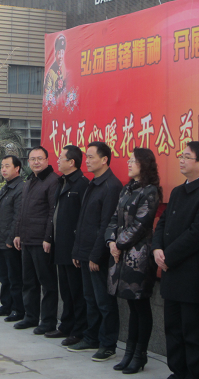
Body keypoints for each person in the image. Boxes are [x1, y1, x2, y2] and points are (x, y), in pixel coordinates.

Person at [152, 141, 199, 379]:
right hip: (171, 271)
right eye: (181, 156)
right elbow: (163, 223)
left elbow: (198, 234)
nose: (181, 160)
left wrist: (168, 256)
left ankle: (195, 375)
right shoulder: (177, 191)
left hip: (193, 275)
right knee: (173, 329)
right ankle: (178, 372)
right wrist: (157, 248)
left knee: (194, 332)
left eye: (187, 157)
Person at [105, 148, 162, 373]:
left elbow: (141, 224)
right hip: (120, 253)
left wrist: (118, 245)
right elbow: (113, 218)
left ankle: (139, 355)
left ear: (144, 164)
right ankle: (129, 353)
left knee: (140, 305)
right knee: (131, 305)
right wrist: (111, 242)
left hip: (139, 257)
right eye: (128, 160)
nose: (128, 163)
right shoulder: (127, 188)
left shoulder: (150, 191)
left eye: (133, 160)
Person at [68, 141, 122, 363]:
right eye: (86, 156)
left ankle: (108, 344)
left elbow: (106, 225)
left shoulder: (111, 186)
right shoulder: (93, 183)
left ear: (104, 159)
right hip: (85, 252)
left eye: (91, 157)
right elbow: (83, 221)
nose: (87, 161)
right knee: (90, 298)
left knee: (104, 302)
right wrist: (77, 251)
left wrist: (95, 256)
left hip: (99, 256)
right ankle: (92, 337)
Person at [13, 146, 59, 334]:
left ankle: (48, 321)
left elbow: (52, 212)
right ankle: (30, 316)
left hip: (42, 241)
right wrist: (18, 233)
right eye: (33, 159)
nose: (36, 162)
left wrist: (48, 237)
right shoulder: (30, 180)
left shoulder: (53, 181)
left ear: (47, 160)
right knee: (29, 281)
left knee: (47, 283)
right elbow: (22, 210)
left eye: (40, 158)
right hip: (27, 239)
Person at [49, 145, 89, 347]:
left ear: (72, 162)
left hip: (73, 248)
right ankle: (66, 325)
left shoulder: (82, 184)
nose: (57, 160)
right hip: (60, 245)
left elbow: (84, 220)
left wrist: (78, 248)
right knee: (65, 290)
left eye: (61, 157)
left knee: (76, 291)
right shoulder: (61, 182)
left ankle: (78, 330)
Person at [0, 155, 25, 321]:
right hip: (0, 240)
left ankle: (18, 309)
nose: (3, 169)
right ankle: (6, 306)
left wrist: (10, 239)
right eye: (2, 166)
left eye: (7, 166)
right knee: (3, 276)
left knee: (14, 277)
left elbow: (18, 217)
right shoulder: (6, 187)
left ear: (17, 168)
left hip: (10, 242)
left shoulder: (20, 188)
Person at [44, 34, 67, 100]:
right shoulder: (50, 73)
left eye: (62, 53)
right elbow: (47, 94)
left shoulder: (64, 68)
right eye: (59, 53)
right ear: (55, 54)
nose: (61, 57)